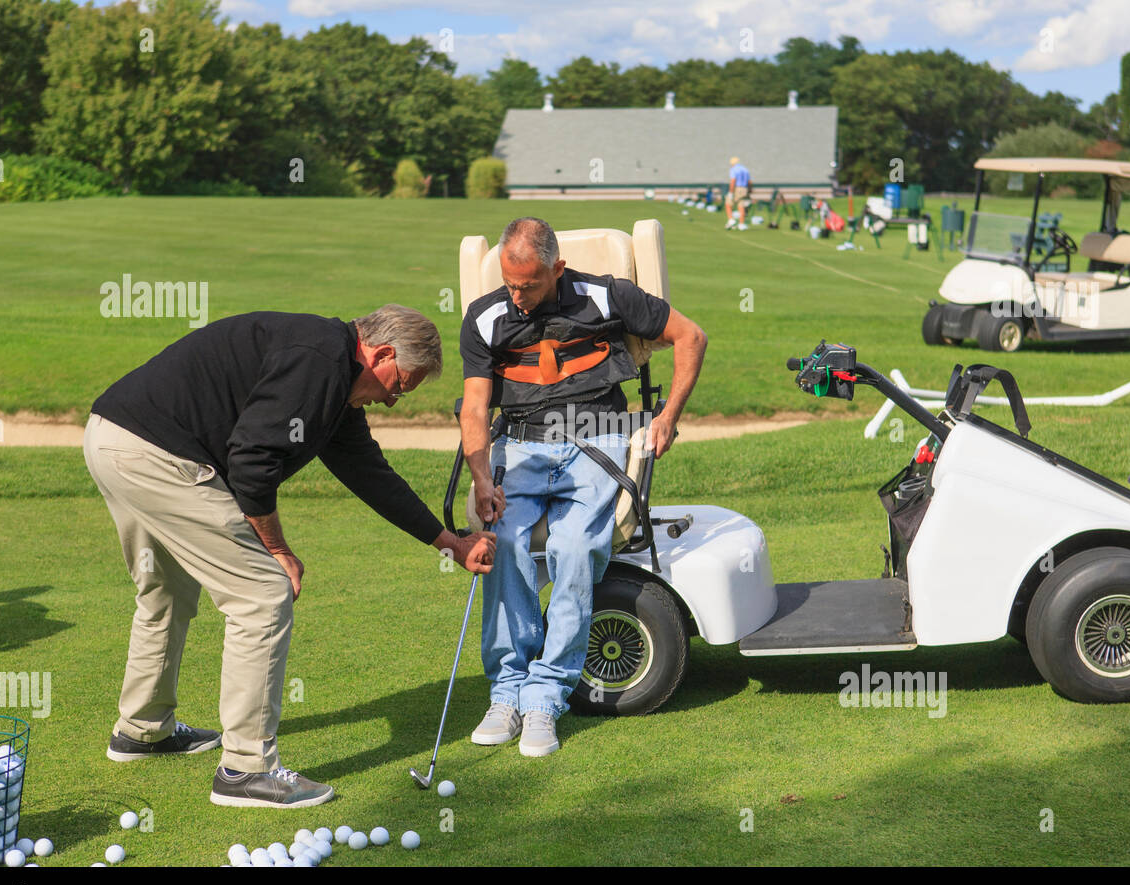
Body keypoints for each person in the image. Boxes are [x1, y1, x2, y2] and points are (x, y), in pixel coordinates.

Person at [84, 306, 496, 808]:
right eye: (399, 386)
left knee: (166, 589)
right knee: (263, 594)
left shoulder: (333, 374)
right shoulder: (318, 364)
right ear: (381, 353)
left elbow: (368, 472)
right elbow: (252, 462)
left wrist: (446, 542)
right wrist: (277, 549)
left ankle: (141, 730)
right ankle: (246, 771)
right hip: (156, 454)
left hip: (114, 439)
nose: (391, 400)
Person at [458, 217, 707, 756]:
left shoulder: (605, 295)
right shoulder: (486, 316)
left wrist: (667, 416)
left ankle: (546, 696)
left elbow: (691, 336)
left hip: (598, 439)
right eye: (509, 283)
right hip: (519, 446)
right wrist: (481, 477)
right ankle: (508, 692)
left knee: (574, 550)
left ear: (558, 269)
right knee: (507, 549)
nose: (517, 296)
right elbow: (476, 405)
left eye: (529, 284)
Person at [724, 157, 752, 230]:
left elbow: (733, 181)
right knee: (741, 206)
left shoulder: (733, 169)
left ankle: (731, 220)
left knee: (728, 203)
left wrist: (731, 192)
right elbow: (749, 182)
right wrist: (749, 191)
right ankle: (741, 224)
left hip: (737, 188)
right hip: (744, 189)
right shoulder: (745, 169)